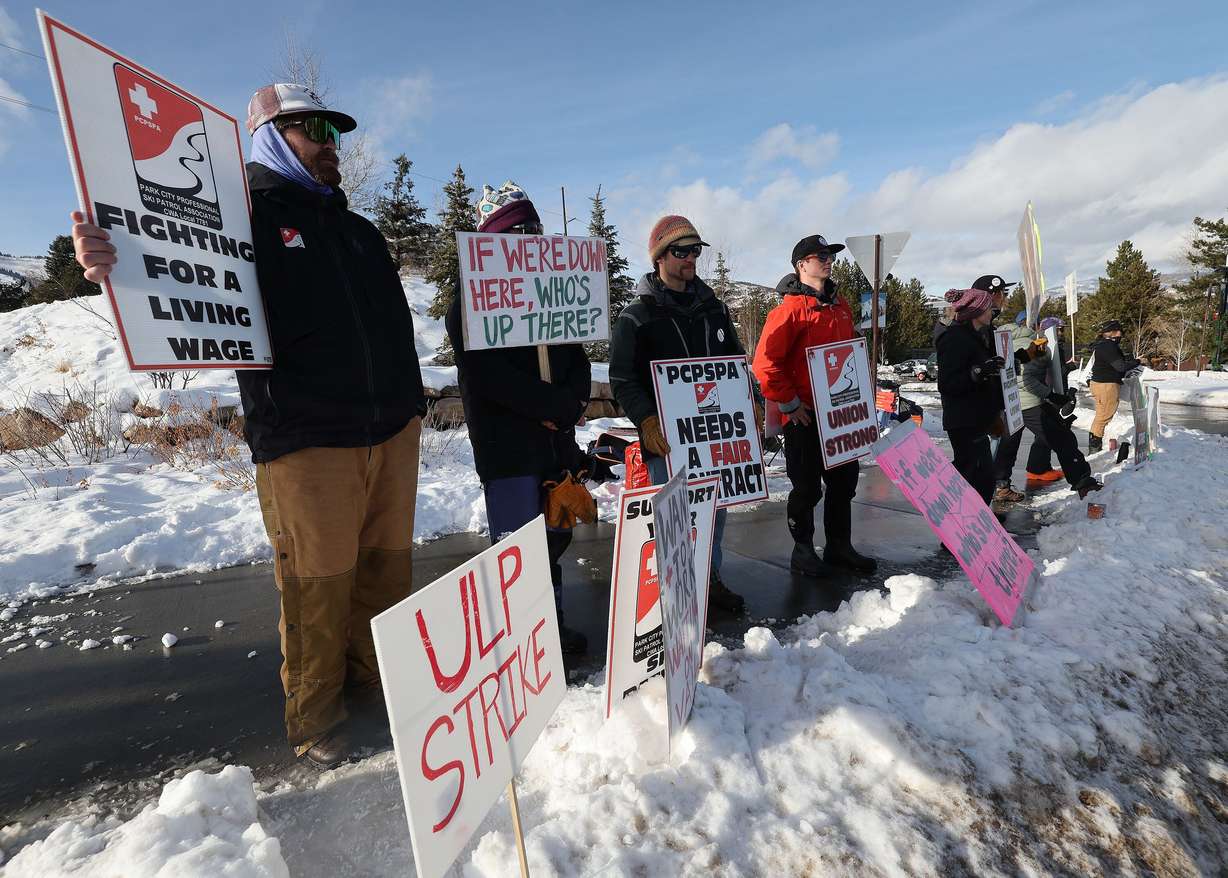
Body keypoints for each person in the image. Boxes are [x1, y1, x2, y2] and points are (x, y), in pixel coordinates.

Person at [71, 83, 427, 770]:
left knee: (384, 576)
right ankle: (317, 718)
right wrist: (108, 261)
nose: (330, 142)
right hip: (307, 438)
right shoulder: (237, 221)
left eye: (334, 130)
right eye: (313, 127)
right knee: (318, 587)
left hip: (391, 430)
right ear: (269, 135)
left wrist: (410, 407)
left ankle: (374, 681)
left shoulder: (358, 230)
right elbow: (169, 268)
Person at [444, 181, 592, 654]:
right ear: (494, 240)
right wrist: (547, 408)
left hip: (554, 445)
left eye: (534, 228)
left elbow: (578, 357)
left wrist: (570, 403)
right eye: (518, 231)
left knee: (554, 537)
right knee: (517, 549)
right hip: (508, 448)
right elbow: (487, 375)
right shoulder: (468, 301)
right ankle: (523, 640)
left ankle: (553, 621)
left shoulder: (555, 295)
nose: (530, 238)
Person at [609, 215, 748, 613]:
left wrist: (750, 401)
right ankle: (676, 594)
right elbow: (621, 378)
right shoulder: (636, 316)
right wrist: (646, 420)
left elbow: (735, 363)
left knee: (714, 513)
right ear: (660, 257)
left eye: (696, 250)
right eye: (682, 251)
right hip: (665, 440)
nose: (692, 258)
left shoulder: (714, 309)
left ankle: (710, 579)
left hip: (714, 434)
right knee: (674, 517)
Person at [752, 234, 876, 577]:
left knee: (844, 482)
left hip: (840, 415)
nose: (827, 259)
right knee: (806, 487)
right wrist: (790, 404)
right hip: (805, 416)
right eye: (819, 255)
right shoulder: (788, 310)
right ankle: (803, 551)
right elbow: (765, 365)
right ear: (800, 264)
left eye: (830, 255)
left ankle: (839, 546)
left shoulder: (840, 306)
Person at [936, 287, 1004, 505]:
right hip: (963, 421)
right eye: (987, 307)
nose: (991, 310)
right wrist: (977, 373)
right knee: (975, 477)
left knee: (980, 479)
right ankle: (956, 532)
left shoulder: (978, 337)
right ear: (975, 311)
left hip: (977, 419)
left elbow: (980, 372)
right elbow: (947, 384)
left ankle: (969, 531)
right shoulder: (955, 338)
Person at [1018, 329, 1103, 498]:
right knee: (1062, 438)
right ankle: (1081, 481)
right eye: (1059, 330)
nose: (1062, 332)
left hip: (1018, 403)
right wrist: (1051, 395)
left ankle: (1004, 483)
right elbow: (1026, 379)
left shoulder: (1012, 344)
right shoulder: (1034, 346)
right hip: (1029, 403)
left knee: (1009, 448)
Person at [1087, 320, 1141, 453]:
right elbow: (1120, 366)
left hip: (1100, 383)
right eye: (1119, 331)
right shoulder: (1108, 346)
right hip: (1106, 385)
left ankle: (1095, 444)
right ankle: (1095, 447)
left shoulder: (1102, 345)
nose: (1121, 334)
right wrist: (1137, 362)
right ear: (1114, 332)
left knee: (1101, 415)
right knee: (1104, 416)